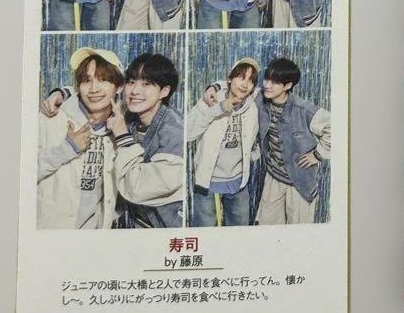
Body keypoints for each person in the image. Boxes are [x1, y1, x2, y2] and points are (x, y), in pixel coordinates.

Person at [204, 56, 330, 224]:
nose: (267, 85)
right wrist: (213, 87)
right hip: (273, 178)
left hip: (300, 183)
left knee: (298, 231)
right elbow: (237, 85)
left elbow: (335, 127)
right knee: (267, 227)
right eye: (267, 79)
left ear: (288, 86)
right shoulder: (260, 97)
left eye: (275, 82)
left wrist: (317, 155)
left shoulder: (304, 110)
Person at [36, 48, 123, 229]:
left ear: (119, 86)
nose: (94, 89)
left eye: (103, 80)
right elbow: (22, 175)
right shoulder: (51, 119)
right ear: (78, 87)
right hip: (51, 231)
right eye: (86, 80)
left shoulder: (122, 128)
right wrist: (67, 149)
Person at [108, 53, 184, 227]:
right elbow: (95, 94)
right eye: (131, 82)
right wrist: (60, 94)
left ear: (164, 91)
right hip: (130, 223)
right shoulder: (130, 115)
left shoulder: (175, 133)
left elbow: (137, 188)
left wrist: (122, 135)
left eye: (146, 84)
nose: (135, 91)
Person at [187, 58, 261, 227]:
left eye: (250, 80)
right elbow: (188, 134)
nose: (245, 84)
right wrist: (219, 108)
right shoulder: (210, 100)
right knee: (204, 232)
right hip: (208, 181)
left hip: (238, 182)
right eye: (241, 77)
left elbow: (253, 139)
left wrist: (253, 155)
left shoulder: (252, 107)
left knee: (238, 232)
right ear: (230, 78)